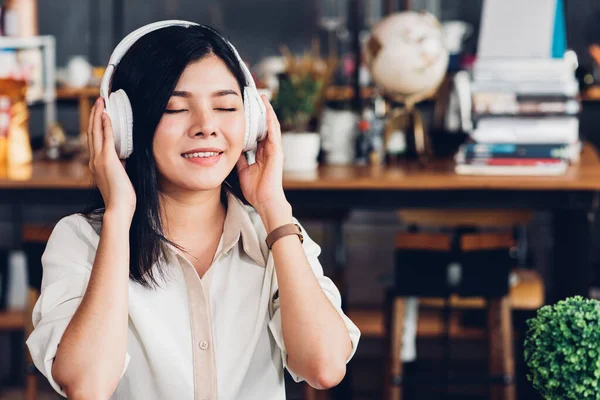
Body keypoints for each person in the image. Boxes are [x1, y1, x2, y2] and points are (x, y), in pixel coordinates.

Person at [26, 21, 360, 400]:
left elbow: (325, 367)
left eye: (225, 106)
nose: (206, 126)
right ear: (125, 126)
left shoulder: (275, 236)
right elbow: (87, 385)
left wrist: (274, 207)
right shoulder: (83, 240)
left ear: (251, 122)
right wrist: (119, 215)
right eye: (175, 108)